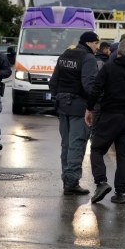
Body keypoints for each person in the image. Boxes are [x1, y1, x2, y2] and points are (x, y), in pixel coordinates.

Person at [85, 39, 125, 204]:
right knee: (123, 156)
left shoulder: (108, 68)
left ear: (118, 53)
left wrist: (89, 109)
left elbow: (96, 89)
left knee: (97, 149)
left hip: (109, 116)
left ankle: (101, 182)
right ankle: (121, 193)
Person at [48, 31, 99, 196]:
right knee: (77, 143)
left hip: (62, 105)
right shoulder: (88, 58)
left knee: (66, 143)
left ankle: (67, 179)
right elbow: (89, 84)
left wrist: (56, 99)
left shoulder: (65, 55)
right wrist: (93, 105)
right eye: (96, 43)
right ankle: (72, 182)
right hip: (78, 106)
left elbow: (53, 81)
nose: (97, 46)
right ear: (90, 43)